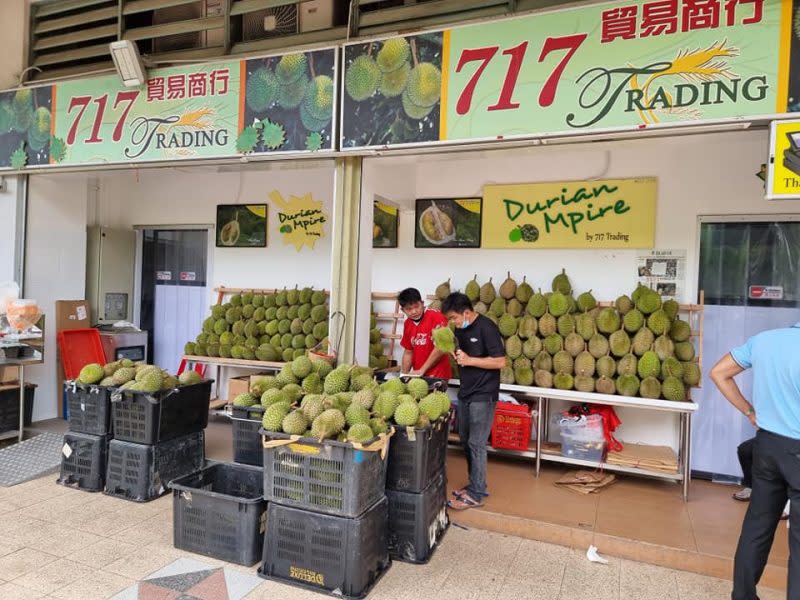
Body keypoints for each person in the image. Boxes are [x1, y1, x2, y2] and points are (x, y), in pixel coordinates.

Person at [710, 321, 800, 600]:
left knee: (757, 526)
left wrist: (749, 410)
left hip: (767, 446)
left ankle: (743, 595)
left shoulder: (765, 340)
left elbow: (718, 373)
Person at [441, 292, 505, 511]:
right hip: (466, 392)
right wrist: (456, 355)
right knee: (466, 440)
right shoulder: (460, 329)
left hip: (483, 395)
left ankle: (477, 493)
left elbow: (499, 361)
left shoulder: (487, 328)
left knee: (477, 443)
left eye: (454, 318)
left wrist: (470, 360)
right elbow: (464, 355)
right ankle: (475, 484)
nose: (453, 323)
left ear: (466, 312)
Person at [398, 287, 452, 379]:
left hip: (438, 374)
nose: (414, 311)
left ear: (422, 303)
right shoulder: (407, 324)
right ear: (403, 310)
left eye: (416, 306)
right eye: (409, 309)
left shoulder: (437, 317)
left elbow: (441, 347)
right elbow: (408, 352)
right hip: (419, 375)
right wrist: (404, 374)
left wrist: (422, 369)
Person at [733, 437, 790, 519]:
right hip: (775, 434)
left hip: (795, 437)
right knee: (745, 449)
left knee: (788, 457)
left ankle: (788, 502)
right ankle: (751, 487)